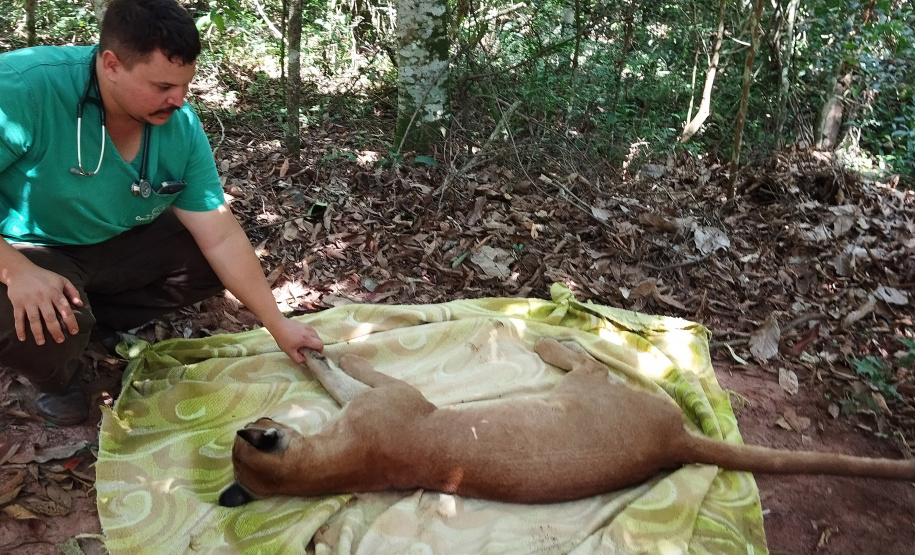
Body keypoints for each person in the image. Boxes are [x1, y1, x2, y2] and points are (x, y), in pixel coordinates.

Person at [0, 0, 323, 426]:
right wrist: (16, 269)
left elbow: (221, 234)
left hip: (115, 239)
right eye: (162, 86)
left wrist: (276, 324)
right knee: (35, 320)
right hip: (30, 244)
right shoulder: (24, 89)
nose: (179, 100)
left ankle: (91, 324)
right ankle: (56, 377)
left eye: (185, 85)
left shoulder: (179, 125)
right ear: (111, 64)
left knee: (207, 260)